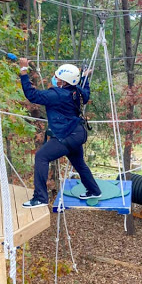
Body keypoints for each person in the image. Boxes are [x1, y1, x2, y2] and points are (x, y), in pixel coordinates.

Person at [19, 58, 102, 208]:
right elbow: (87, 91)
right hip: (78, 133)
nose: (54, 78)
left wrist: (23, 71)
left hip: (67, 134)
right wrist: (84, 77)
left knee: (41, 156)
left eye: (57, 77)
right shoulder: (78, 92)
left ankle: (40, 198)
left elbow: (32, 95)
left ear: (63, 82)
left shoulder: (57, 95)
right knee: (79, 163)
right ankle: (94, 190)